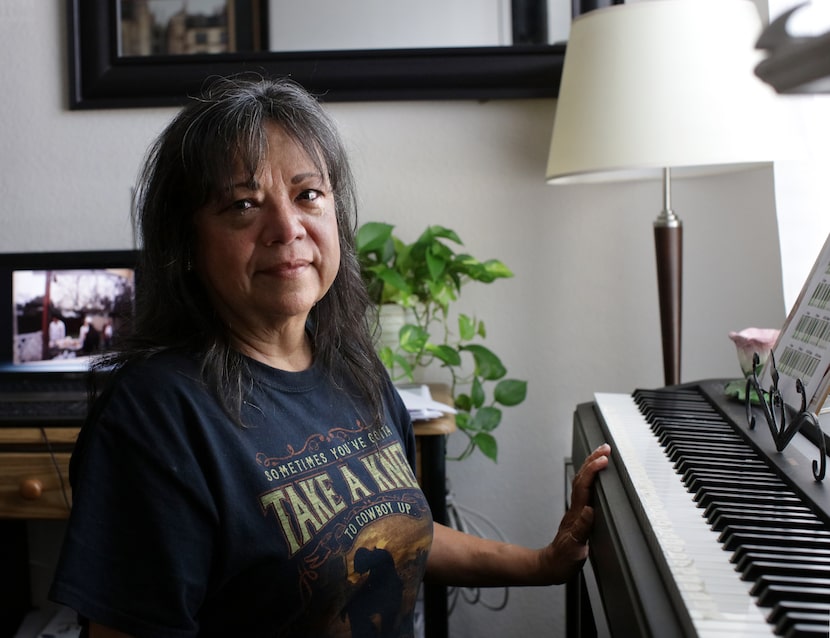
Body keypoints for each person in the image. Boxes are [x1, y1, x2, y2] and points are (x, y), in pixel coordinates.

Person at [49, 75, 610, 638]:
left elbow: (389, 527)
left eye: (307, 194)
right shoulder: (156, 419)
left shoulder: (350, 367)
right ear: (187, 245)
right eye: (243, 204)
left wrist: (543, 563)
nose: (287, 228)